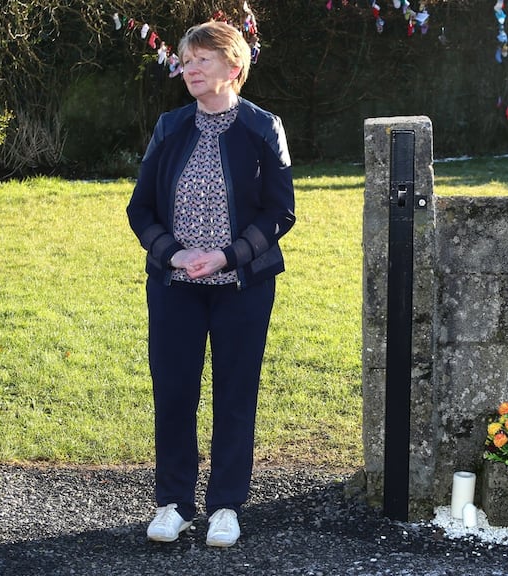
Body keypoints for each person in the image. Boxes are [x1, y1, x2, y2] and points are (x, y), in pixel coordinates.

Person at [126, 19, 295, 548]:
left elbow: (280, 213)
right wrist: (175, 253)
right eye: (185, 59)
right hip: (174, 285)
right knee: (174, 392)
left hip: (243, 287)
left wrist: (225, 255)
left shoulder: (264, 128)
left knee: (235, 395)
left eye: (202, 59)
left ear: (234, 68)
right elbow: (141, 208)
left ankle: (226, 505)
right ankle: (173, 503)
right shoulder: (170, 126)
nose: (189, 68)